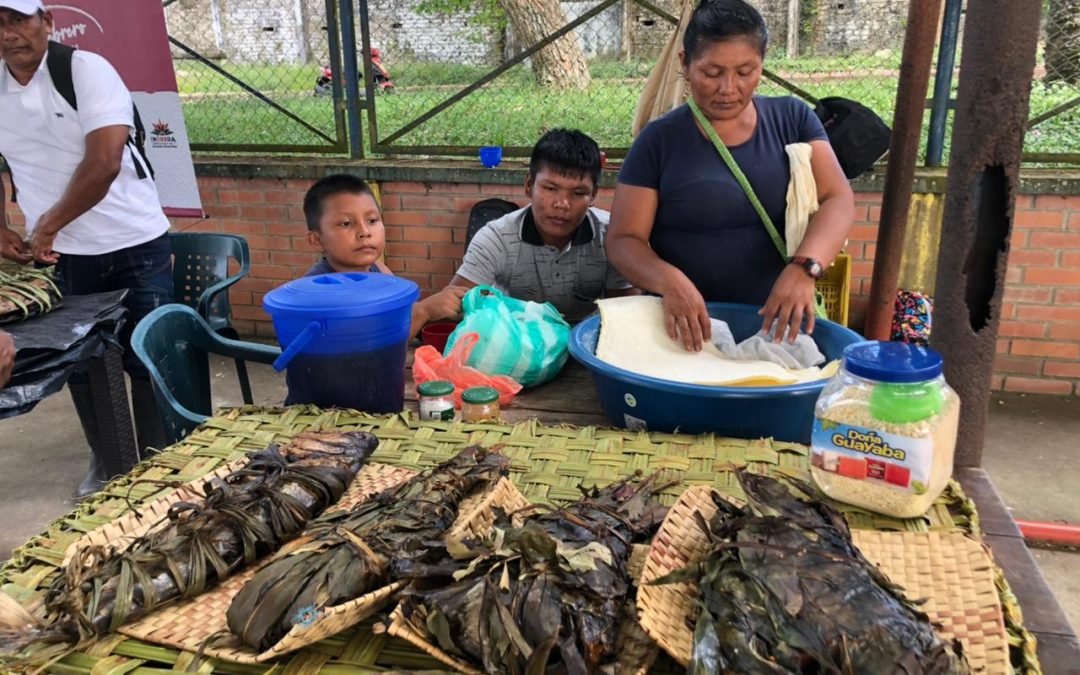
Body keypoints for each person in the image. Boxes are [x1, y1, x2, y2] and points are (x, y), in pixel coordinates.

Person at [606, 0, 854, 351]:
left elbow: (837, 198)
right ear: (685, 64)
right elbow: (623, 240)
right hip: (685, 330)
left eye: (745, 71)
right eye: (711, 72)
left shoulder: (793, 120)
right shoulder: (659, 141)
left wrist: (805, 268)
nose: (728, 87)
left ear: (762, 64)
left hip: (777, 328)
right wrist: (670, 282)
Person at [0, 0, 174, 496]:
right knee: (77, 361)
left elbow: (105, 162)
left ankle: (157, 463)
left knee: (148, 354)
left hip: (134, 242)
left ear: (47, 23)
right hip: (63, 257)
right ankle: (108, 461)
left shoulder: (85, 70)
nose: (9, 34)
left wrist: (47, 226)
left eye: (19, 19)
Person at [447, 128, 635, 323]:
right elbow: (454, 308)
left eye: (578, 193)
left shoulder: (612, 237)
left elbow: (624, 314)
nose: (562, 204)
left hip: (586, 343)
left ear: (593, 195)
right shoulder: (497, 239)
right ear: (529, 185)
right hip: (518, 343)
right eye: (550, 188)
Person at [301, 173, 465, 338]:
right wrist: (424, 311)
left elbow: (401, 318)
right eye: (346, 224)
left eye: (372, 220)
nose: (364, 232)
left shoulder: (379, 270)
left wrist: (444, 306)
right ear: (316, 240)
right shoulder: (316, 292)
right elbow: (366, 345)